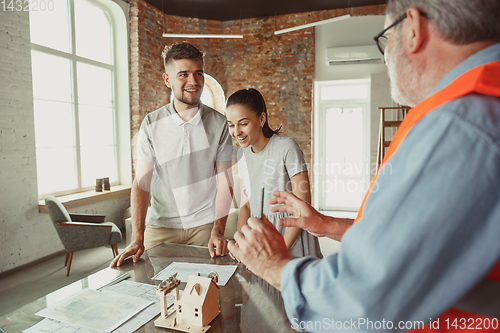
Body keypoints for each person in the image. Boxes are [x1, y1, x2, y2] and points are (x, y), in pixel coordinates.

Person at [228, 0, 500, 331]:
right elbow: (408, 241)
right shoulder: (477, 108)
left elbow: (360, 300)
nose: (387, 55)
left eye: (386, 38)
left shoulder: (461, 123)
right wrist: (325, 224)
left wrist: (273, 265)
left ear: (413, 28)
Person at [111, 42, 233, 267]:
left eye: (198, 73)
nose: (193, 82)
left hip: (203, 227)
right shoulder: (151, 123)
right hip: (160, 227)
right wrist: (137, 236)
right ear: (167, 79)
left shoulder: (219, 123)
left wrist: (218, 230)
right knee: (159, 296)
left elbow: (225, 182)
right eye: (183, 74)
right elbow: (142, 182)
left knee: (205, 295)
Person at [226, 88, 322, 258]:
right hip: (263, 246)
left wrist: (279, 251)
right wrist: (243, 244)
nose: (236, 132)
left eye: (243, 123)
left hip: (293, 243)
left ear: (261, 119)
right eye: (231, 125)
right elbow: (246, 205)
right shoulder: (243, 154)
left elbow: (303, 206)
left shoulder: (287, 148)